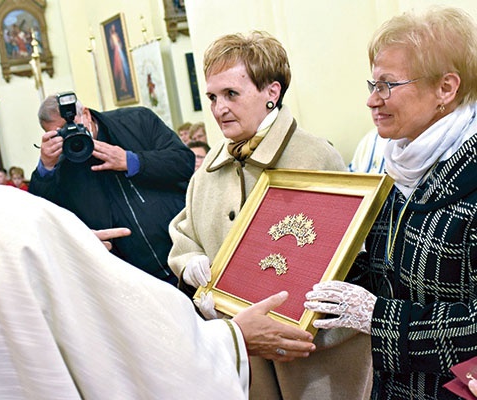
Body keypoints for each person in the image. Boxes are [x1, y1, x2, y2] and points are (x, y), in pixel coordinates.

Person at [0, 5, 317, 398]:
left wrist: (131, 162)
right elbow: (142, 356)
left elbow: (181, 165)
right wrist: (233, 341)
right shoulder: (16, 226)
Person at [168, 31, 371, 400]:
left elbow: (347, 259)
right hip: (244, 362)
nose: (218, 109)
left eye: (231, 94)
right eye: (212, 97)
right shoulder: (207, 171)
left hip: (313, 362)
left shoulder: (314, 159)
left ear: (271, 93)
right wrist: (191, 261)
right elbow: (185, 230)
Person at [304, 7, 477, 400]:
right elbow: (391, 274)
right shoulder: (399, 167)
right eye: (372, 84)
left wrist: (377, 316)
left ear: (446, 88)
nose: (371, 100)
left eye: (387, 85)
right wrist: (319, 268)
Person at [28, 94, 194, 285]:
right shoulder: (60, 167)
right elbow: (43, 218)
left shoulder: (138, 120)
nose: (71, 134)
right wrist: (46, 167)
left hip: (185, 254)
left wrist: (132, 161)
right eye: (60, 134)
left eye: (72, 125)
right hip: (131, 278)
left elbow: (184, 162)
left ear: (87, 115)